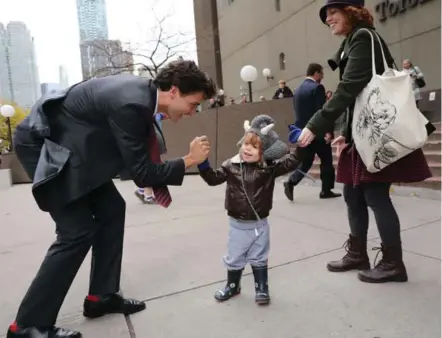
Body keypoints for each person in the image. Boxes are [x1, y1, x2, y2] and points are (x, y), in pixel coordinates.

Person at [8, 60, 216, 338]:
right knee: (76, 232)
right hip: (45, 146)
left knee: (112, 209)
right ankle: (25, 326)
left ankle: (101, 297)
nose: (193, 112)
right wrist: (190, 160)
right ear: (175, 91)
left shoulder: (144, 98)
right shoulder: (132, 103)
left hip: (77, 151)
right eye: (193, 104)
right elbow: (143, 174)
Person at [297, 0, 431, 283]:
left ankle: (394, 264)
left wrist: (315, 124)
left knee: (375, 195)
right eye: (326, 15)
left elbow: (349, 88)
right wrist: (346, 131)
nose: (328, 19)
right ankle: (358, 253)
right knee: (352, 194)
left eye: (333, 12)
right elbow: (358, 95)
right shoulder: (354, 41)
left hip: (377, 132)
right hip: (364, 133)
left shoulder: (363, 37)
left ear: (351, 11)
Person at [197, 115, 301, 305]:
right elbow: (213, 179)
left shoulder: (269, 169)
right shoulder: (231, 165)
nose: (247, 149)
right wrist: (203, 164)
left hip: (260, 224)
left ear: (265, 151)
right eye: (246, 144)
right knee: (235, 256)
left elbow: (293, 161)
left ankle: (262, 287)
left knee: (260, 257)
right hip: (238, 224)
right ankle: (233, 285)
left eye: (254, 147)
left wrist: (302, 145)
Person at [283, 63, 341, 201]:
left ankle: (291, 182)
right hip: (317, 132)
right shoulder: (317, 88)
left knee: (307, 161)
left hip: (303, 133)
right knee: (326, 160)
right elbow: (321, 112)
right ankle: (326, 190)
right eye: (321, 74)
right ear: (316, 73)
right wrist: (328, 131)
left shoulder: (297, 90)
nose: (322, 77)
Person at [134, 112, 168, 204]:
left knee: (152, 167)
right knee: (152, 169)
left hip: (148, 144)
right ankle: (148, 196)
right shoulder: (149, 116)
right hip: (150, 144)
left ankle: (142, 190)